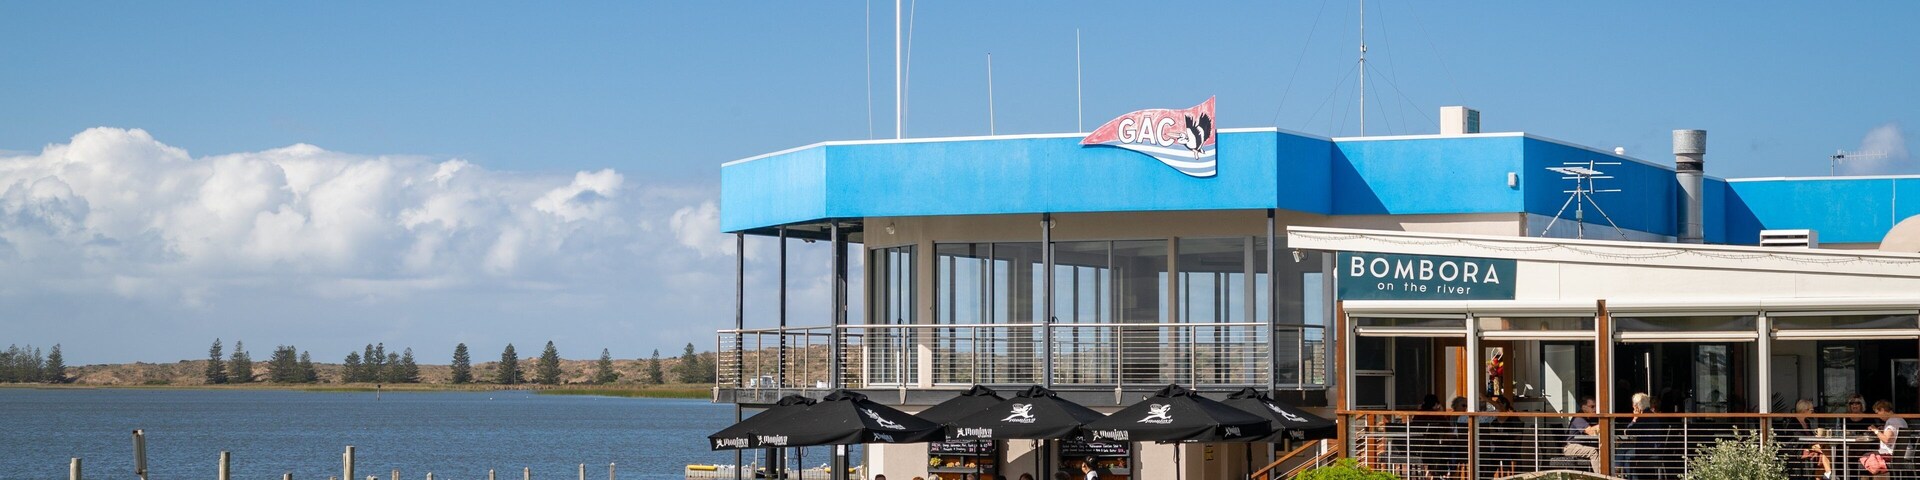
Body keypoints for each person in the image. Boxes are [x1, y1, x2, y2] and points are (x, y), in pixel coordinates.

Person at [1780, 399, 1834, 480]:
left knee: (1825, 449)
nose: (1812, 412)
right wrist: (1814, 444)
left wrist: (1816, 441)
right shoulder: (1793, 423)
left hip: (1808, 446)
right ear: (1805, 410)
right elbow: (1799, 439)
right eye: (1811, 410)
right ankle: (1828, 474)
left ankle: (1826, 474)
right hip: (1798, 449)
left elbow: (1810, 437)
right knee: (1823, 451)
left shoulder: (1807, 422)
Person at [1563, 396, 1601, 472]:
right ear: (1584, 407)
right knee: (1593, 451)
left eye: (1596, 406)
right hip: (1570, 447)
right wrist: (1604, 423)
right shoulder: (1578, 418)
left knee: (1602, 448)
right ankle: (1600, 476)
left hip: (1580, 445)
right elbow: (1591, 431)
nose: (1595, 409)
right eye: (1592, 406)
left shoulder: (1590, 417)